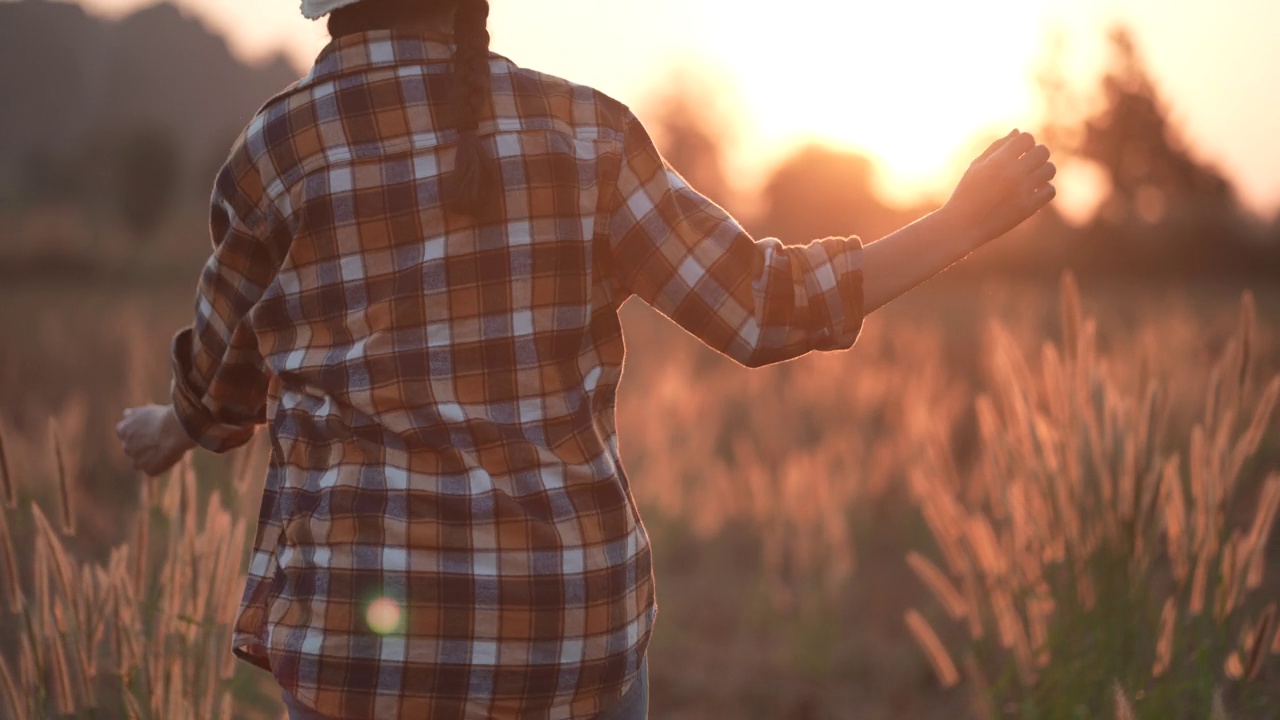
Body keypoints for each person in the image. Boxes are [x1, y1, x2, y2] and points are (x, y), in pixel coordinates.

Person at [115, 0, 1056, 717]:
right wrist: (958, 223)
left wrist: (177, 426)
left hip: (365, 653)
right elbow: (767, 309)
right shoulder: (588, 134)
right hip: (568, 636)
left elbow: (225, 371)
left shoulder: (278, 149)